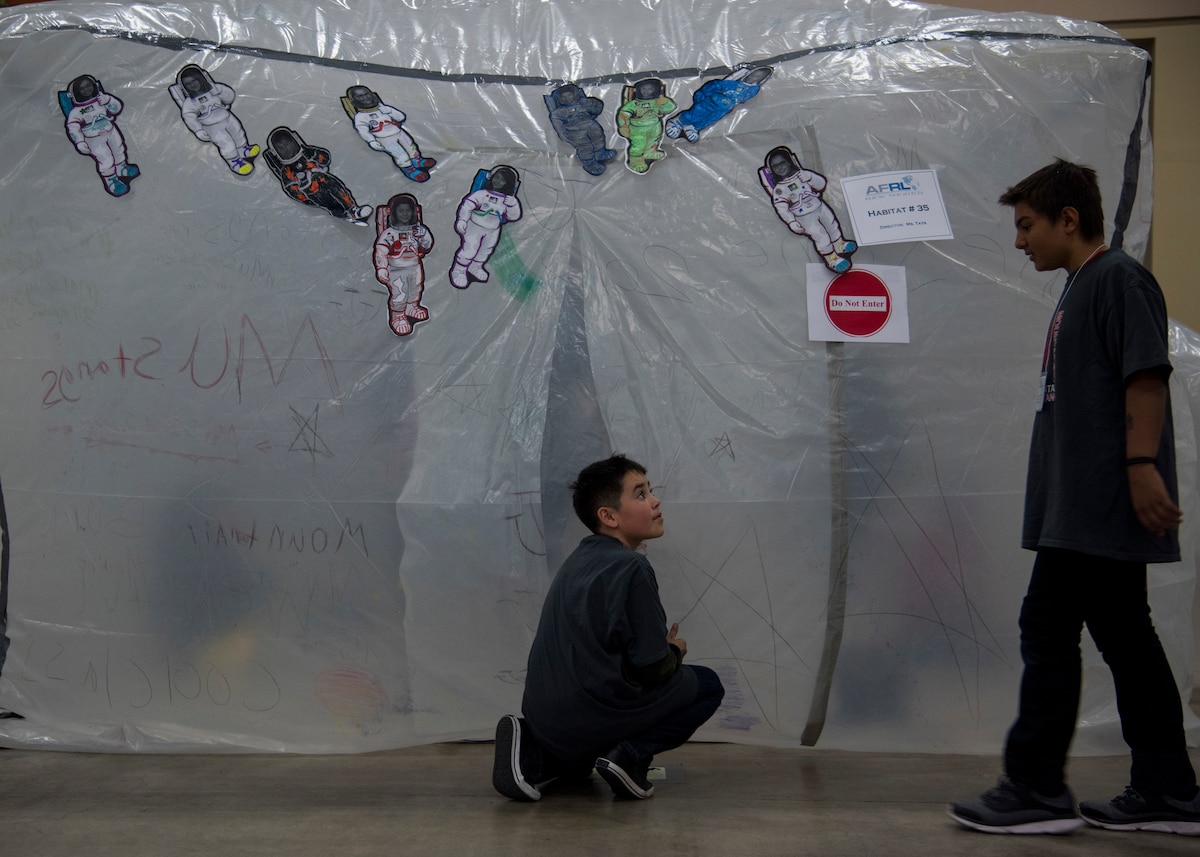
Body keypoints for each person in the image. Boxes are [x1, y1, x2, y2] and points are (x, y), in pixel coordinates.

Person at [948, 159, 1200, 835]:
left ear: (1068, 218)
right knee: (1125, 636)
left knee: (1048, 626)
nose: (1019, 241)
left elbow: (1146, 376)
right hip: (1083, 501)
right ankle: (1169, 790)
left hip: (1100, 501)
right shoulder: (1080, 286)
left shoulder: (1118, 278)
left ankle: (1035, 787)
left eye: (1027, 225)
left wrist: (1140, 465)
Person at [493, 454, 725, 801]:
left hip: (544, 715)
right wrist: (674, 650)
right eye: (641, 494)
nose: (655, 501)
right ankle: (629, 757)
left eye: (651, 491)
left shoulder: (577, 561)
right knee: (708, 685)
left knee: (579, 769)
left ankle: (533, 754)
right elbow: (651, 668)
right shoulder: (632, 568)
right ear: (609, 516)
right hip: (591, 712)